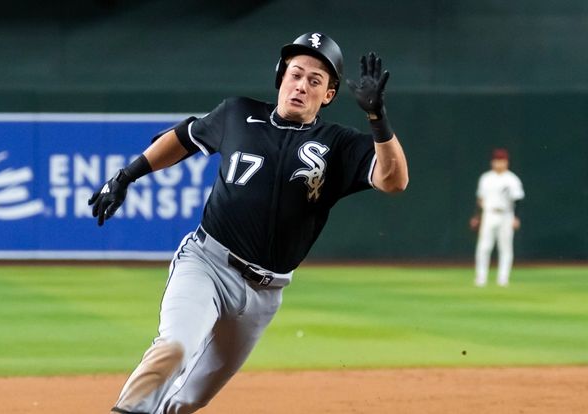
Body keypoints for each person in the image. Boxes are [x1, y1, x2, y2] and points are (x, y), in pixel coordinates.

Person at [89, 32, 409, 414]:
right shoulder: (237, 114)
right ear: (280, 76)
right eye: (295, 73)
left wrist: (378, 119)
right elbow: (183, 137)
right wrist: (126, 176)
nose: (301, 86)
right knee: (175, 346)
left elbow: (394, 180)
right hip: (206, 263)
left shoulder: (339, 144)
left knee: (189, 399)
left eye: (315, 80)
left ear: (328, 96)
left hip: (264, 294)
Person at [470, 148, 525, 287]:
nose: (499, 164)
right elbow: (480, 199)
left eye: (502, 161)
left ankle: (503, 278)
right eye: (497, 161)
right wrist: (477, 216)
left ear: (506, 162)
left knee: (505, 248)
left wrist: (516, 217)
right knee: (484, 247)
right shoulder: (486, 178)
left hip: (506, 214)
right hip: (489, 214)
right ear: (492, 162)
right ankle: (481, 278)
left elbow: (518, 200)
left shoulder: (512, 179)